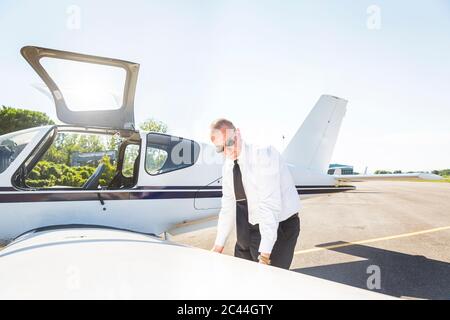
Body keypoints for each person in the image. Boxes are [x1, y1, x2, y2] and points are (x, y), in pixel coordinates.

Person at [210, 118, 301, 269]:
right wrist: (218, 245)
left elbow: (269, 206)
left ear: (237, 133)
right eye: (220, 148)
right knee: (243, 277)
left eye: (229, 143)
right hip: (251, 226)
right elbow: (228, 207)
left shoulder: (263, 155)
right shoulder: (228, 167)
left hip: (280, 225)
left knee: (270, 283)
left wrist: (264, 256)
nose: (227, 151)